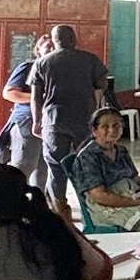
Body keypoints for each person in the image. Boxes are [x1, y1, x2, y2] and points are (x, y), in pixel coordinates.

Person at [31, 24, 108, 213]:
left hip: (54, 121)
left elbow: (35, 96)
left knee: (56, 168)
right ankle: (92, 208)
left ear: (54, 40)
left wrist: (36, 121)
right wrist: (94, 110)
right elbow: (101, 87)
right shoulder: (89, 59)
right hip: (84, 119)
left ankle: (59, 210)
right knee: (87, 163)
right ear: (74, 39)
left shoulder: (41, 63)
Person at [70, 106, 140, 231]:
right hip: (108, 207)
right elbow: (99, 196)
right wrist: (139, 202)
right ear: (94, 131)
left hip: (131, 195)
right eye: (105, 127)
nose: (112, 130)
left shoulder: (120, 150)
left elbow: (136, 179)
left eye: (116, 125)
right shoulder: (88, 157)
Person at [0, 35, 51, 189]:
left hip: (50, 124)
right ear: (38, 50)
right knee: (22, 167)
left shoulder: (59, 70)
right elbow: (9, 93)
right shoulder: (28, 67)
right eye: (48, 46)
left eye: (55, 46)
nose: (52, 49)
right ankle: (11, 206)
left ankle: (36, 207)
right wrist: (38, 97)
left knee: (43, 170)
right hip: (27, 123)